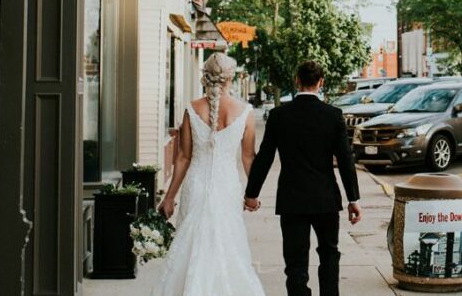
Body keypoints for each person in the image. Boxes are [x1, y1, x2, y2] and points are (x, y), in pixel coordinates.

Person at [151, 53, 266, 295]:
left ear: (206, 77)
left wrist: (170, 196)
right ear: (230, 77)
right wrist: (252, 193)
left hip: (197, 185)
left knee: (192, 245)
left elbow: (183, 157)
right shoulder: (245, 111)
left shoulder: (191, 109)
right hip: (227, 188)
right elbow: (248, 157)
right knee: (227, 245)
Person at [245, 61, 362, 296]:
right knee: (329, 254)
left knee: (295, 262)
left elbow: (265, 157)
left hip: (292, 198)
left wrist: (251, 194)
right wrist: (353, 199)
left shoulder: (279, 116)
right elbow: (346, 160)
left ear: (296, 80)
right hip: (325, 198)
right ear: (321, 83)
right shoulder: (333, 115)